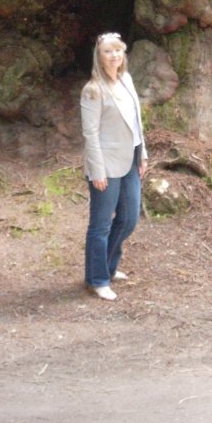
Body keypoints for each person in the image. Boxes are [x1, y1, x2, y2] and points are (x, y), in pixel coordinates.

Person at [80, 32, 148, 301]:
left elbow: (136, 122)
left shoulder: (126, 80)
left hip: (131, 159)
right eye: (108, 51)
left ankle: (107, 266)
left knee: (128, 219)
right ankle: (97, 279)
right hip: (106, 165)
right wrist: (97, 171)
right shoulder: (93, 90)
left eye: (118, 50)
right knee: (100, 225)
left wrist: (143, 154)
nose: (114, 56)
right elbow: (90, 134)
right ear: (99, 57)